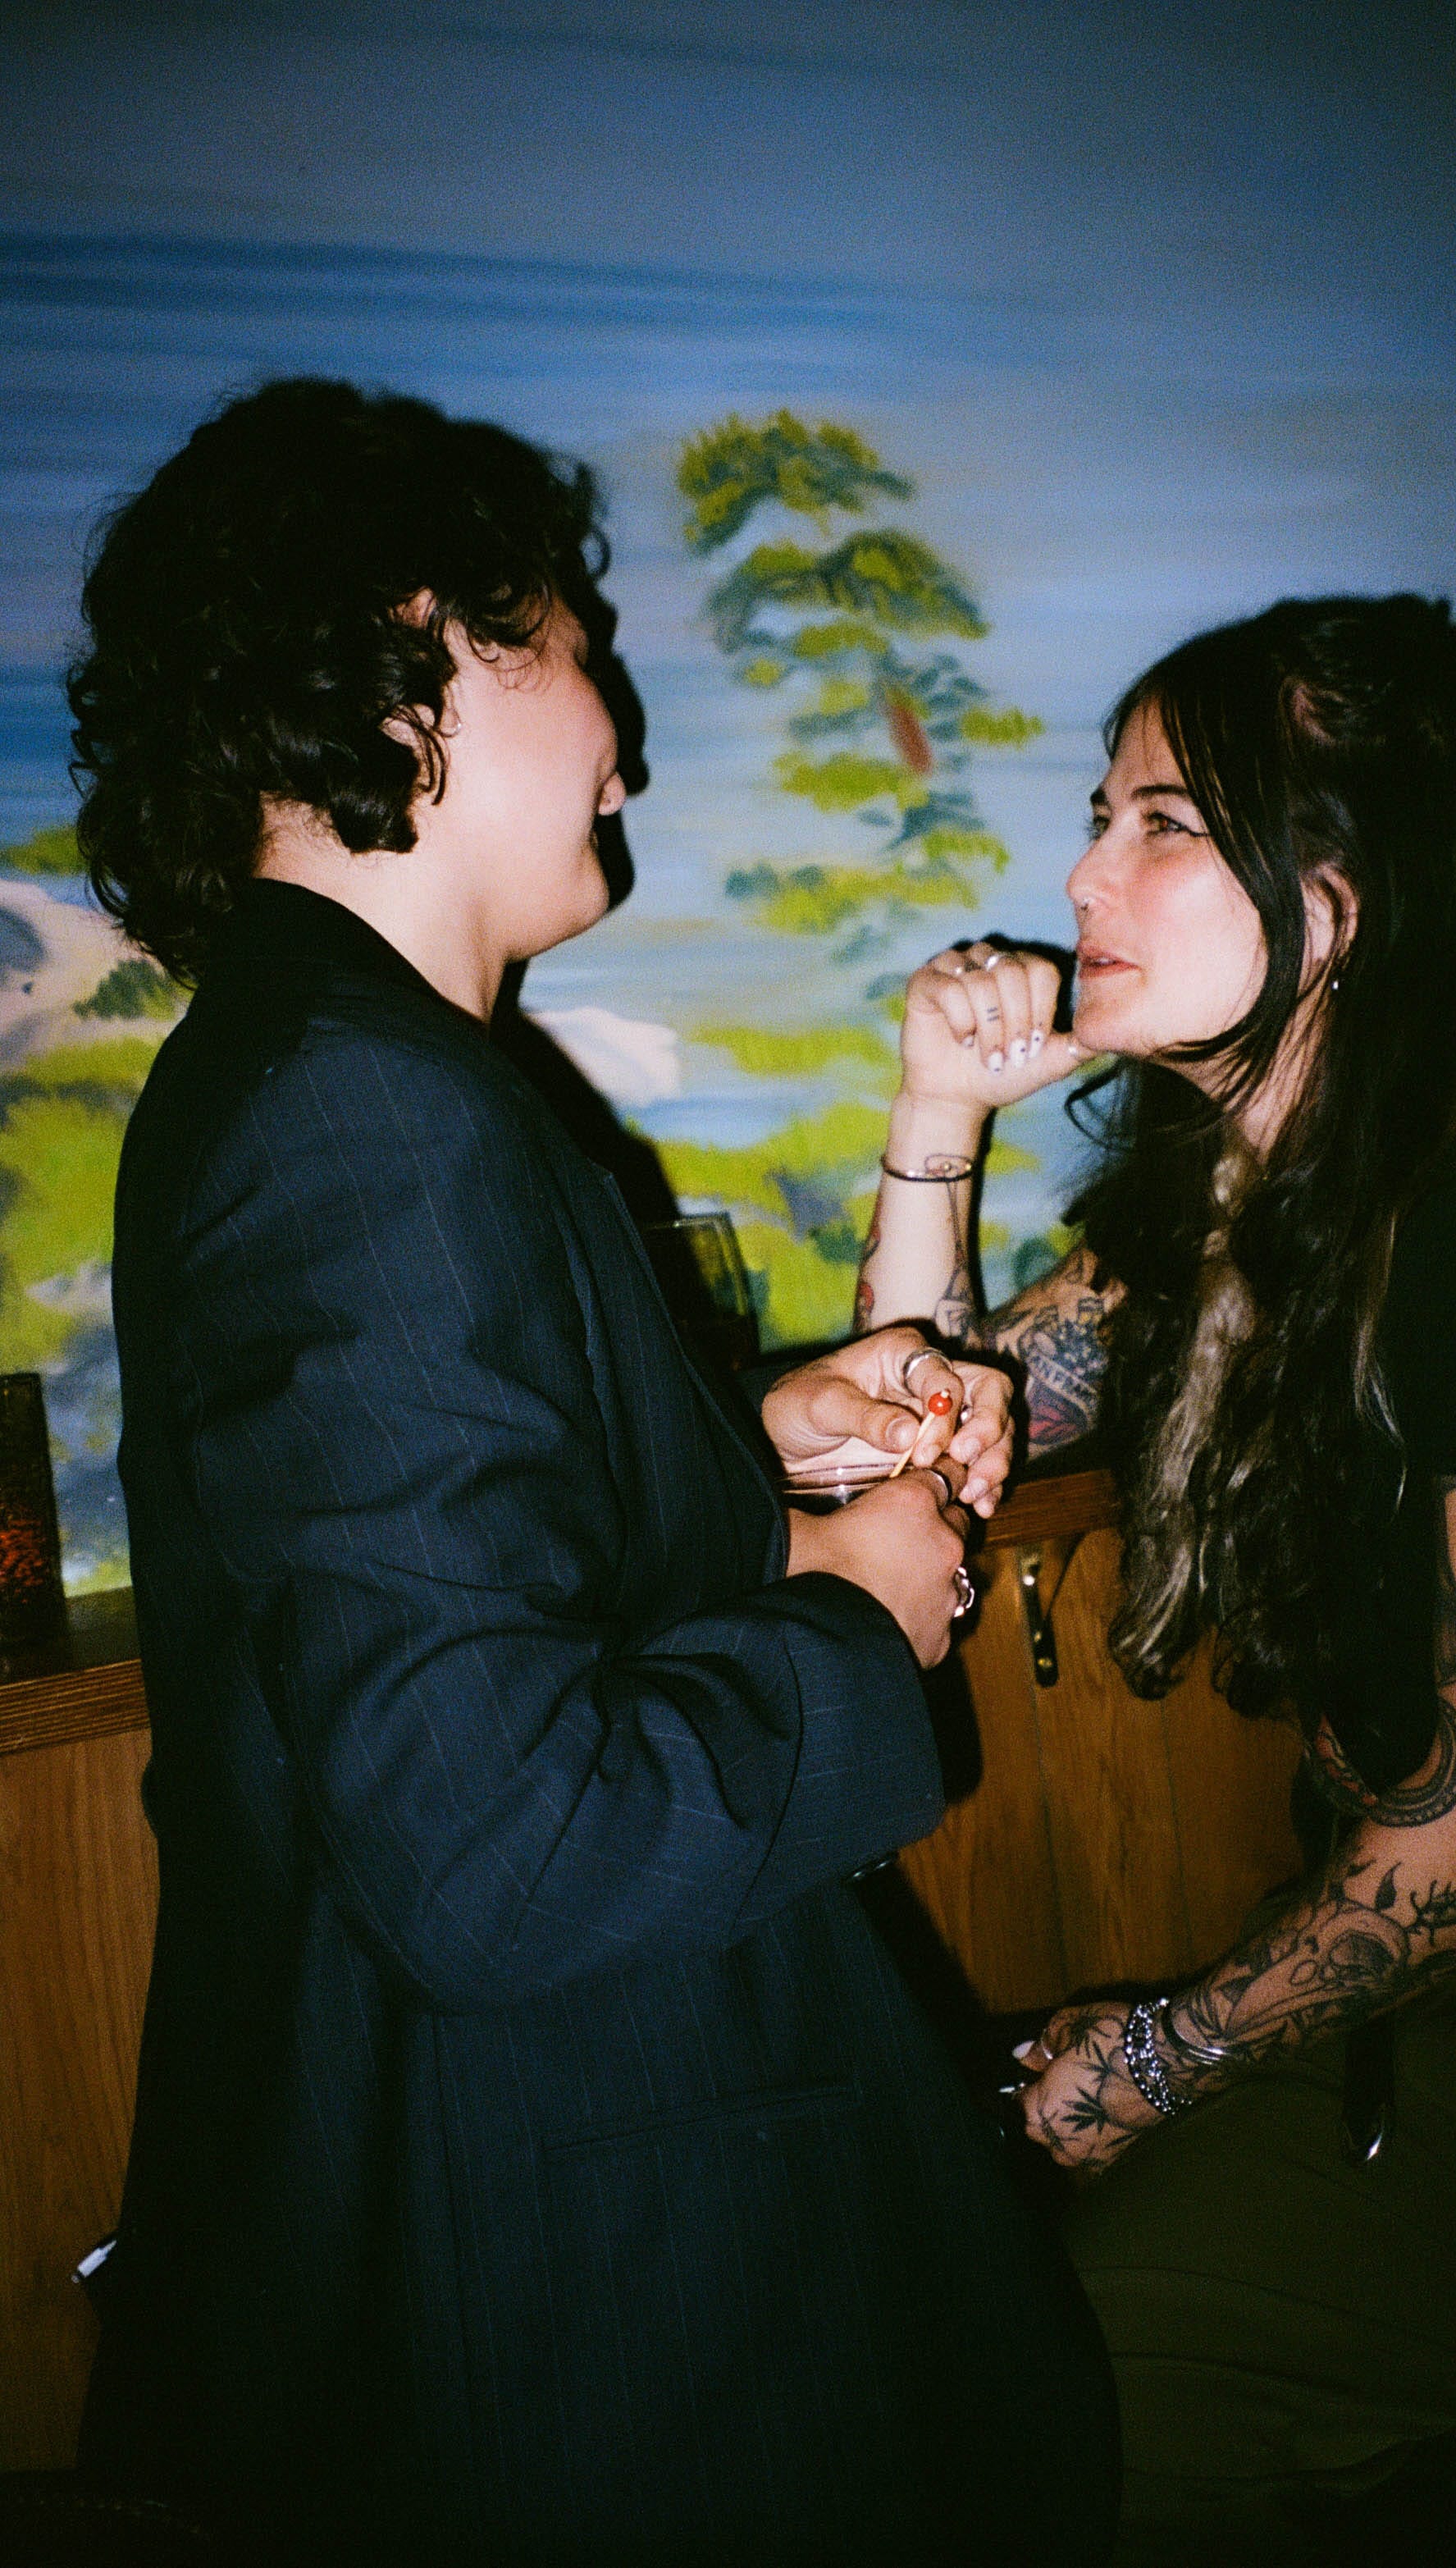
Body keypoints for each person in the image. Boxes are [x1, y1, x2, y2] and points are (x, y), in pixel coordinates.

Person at [69, 380, 1119, 2567]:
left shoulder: (327, 1067)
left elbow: (423, 1569)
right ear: (419, 652)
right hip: (574, 2310)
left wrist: (747, 1444)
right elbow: (498, 1846)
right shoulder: (369, 1110)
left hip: (509, 2242)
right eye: (572, 642)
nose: (624, 737)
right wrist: (859, 1609)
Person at [855, 594, 1456, 2563]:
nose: (1083, 872)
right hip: (1438, 1980)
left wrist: (1151, 2059)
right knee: (1042, 2395)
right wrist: (934, 1116)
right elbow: (930, 1423)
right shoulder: (1230, 1202)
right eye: (1102, 815)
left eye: (1161, 821)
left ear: (1342, 901)